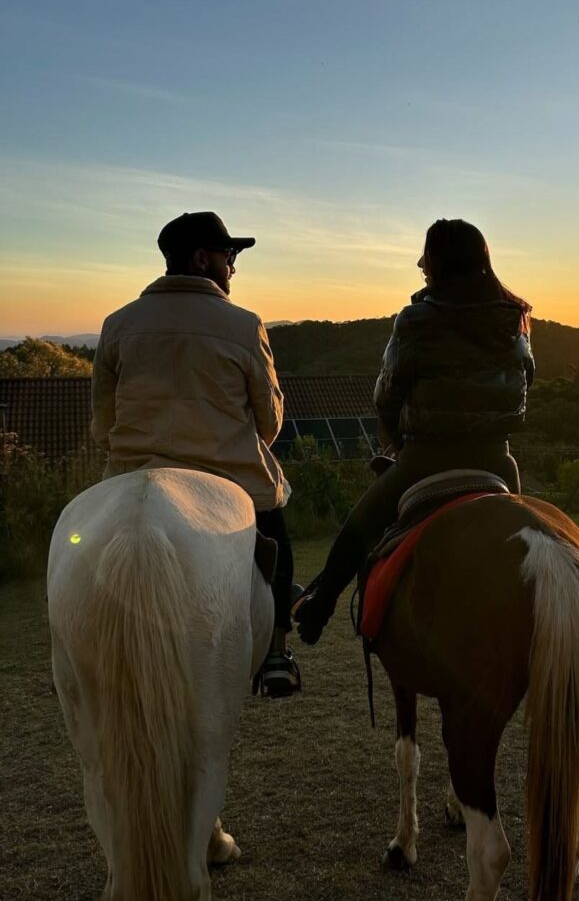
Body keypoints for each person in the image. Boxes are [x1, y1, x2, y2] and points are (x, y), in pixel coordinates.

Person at [295, 217, 534, 645]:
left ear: (439, 261)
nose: (420, 263)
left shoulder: (415, 320)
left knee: (359, 525)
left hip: (426, 458)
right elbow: (525, 383)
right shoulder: (515, 320)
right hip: (499, 458)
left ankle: (320, 604)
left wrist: (400, 444)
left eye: (426, 255)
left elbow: (387, 394)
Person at [91, 210, 301, 697]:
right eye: (229, 256)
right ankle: (274, 652)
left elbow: (102, 423)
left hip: (130, 473)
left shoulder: (116, 324)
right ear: (202, 258)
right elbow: (269, 423)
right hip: (227, 478)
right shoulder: (245, 325)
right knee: (276, 524)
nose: (232, 268)